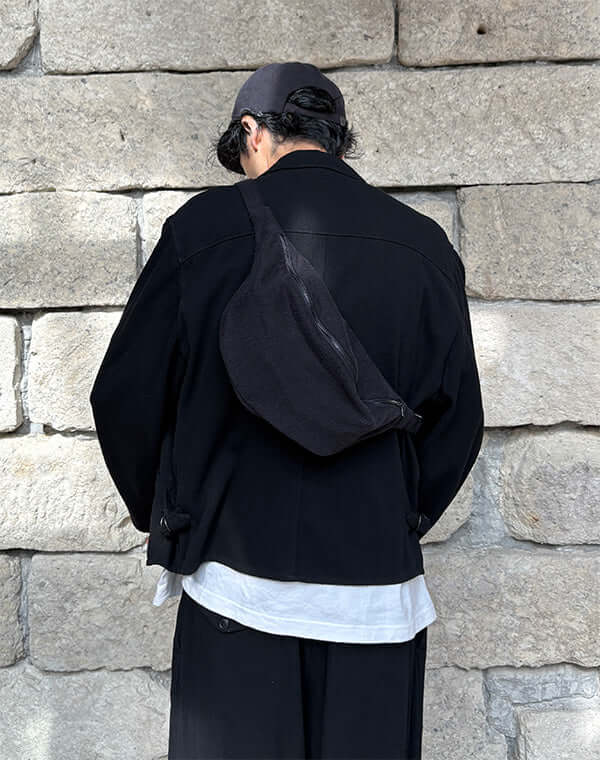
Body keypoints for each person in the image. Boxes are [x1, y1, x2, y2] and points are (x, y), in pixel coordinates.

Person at [90, 61, 484, 759]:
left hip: (235, 586)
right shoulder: (424, 245)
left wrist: (174, 511)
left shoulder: (203, 230)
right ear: (335, 138)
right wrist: (394, 511)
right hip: (377, 601)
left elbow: (124, 396)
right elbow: (457, 422)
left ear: (253, 132)